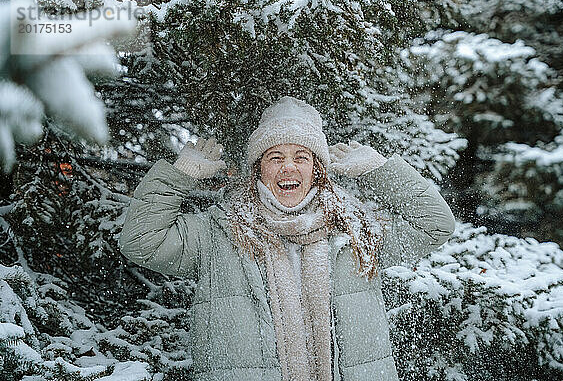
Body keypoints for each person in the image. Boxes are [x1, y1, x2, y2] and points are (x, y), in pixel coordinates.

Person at [119, 96, 455, 381]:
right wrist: (178, 177)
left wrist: (379, 171)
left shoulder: (355, 232)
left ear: (316, 170)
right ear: (259, 169)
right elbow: (142, 242)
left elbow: (435, 224)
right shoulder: (218, 233)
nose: (288, 168)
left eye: (302, 157)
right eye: (275, 157)